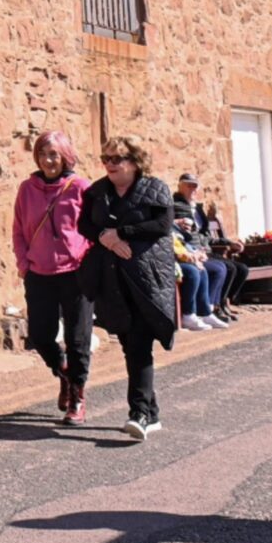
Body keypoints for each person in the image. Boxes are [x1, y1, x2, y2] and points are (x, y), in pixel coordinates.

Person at [80, 133, 178, 442]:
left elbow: (162, 225)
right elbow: (84, 225)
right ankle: (151, 413)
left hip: (146, 278)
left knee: (139, 343)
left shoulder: (156, 188)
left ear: (134, 162)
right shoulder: (97, 192)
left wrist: (120, 232)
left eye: (116, 159)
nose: (110, 165)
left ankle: (138, 413)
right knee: (130, 344)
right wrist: (104, 238)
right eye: (105, 159)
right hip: (111, 279)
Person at [14, 130, 94, 421]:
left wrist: (87, 260)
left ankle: (78, 397)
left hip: (75, 273)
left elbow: (93, 230)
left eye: (53, 155)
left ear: (65, 157)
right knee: (39, 335)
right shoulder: (26, 189)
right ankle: (63, 371)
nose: (48, 161)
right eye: (43, 155)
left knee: (78, 338)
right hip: (39, 273)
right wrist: (24, 264)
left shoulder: (81, 187)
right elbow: (19, 229)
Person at [171, 172, 235, 329]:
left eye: (195, 186)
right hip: (181, 253)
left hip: (194, 250)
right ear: (180, 186)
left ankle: (209, 310)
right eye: (189, 185)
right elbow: (177, 237)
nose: (193, 189)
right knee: (200, 271)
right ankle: (194, 313)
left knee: (231, 268)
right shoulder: (174, 206)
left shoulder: (196, 208)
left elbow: (201, 235)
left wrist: (227, 243)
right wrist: (193, 254)